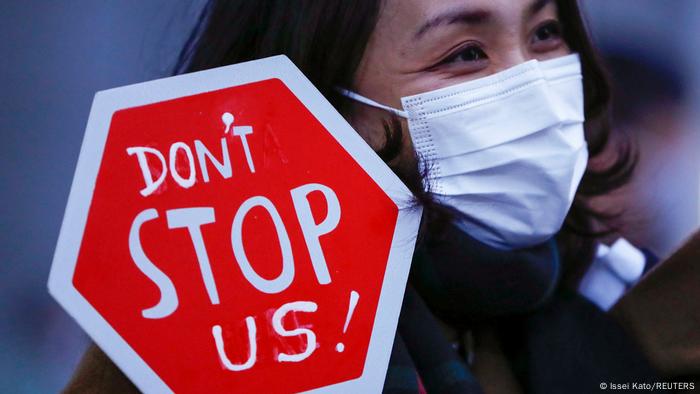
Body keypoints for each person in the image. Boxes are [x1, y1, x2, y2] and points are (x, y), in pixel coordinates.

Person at [64, 1, 700, 393]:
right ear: (330, 108)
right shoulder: (209, 352)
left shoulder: (613, 306)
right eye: (466, 53)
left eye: (544, 33)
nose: (533, 85)